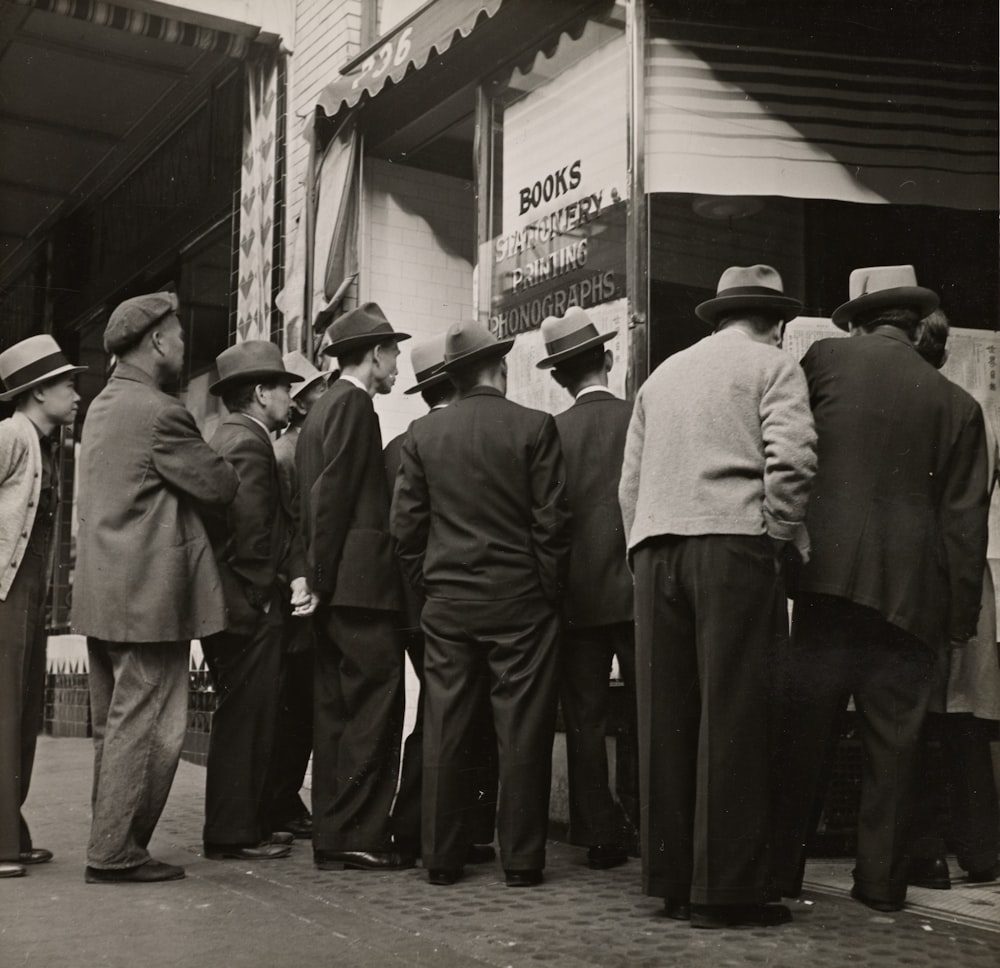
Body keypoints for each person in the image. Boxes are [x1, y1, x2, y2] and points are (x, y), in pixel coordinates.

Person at [773, 266, 990, 913]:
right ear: (915, 326)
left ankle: (778, 872)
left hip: (825, 585)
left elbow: (787, 450)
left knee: (801, 739)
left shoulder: (824, 362)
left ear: (861, 320)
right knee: (894, 748)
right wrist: (959, 619)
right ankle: (881, 887)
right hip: (910, 601)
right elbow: (964, 526)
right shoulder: (959, 406)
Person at [619, 265, 816, 929]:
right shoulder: (775, 367)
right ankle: (725, 892)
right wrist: (777, 537)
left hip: (655, 547)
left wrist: (643, 541)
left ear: (720, 315)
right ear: (778, 322)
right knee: (736, 715)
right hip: (732, 545)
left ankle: (672, 881)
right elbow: (792, 460)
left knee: (668, 716)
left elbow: (629, 483)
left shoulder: (663, 374)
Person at [391, 319, 571, 888]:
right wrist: (545, 590)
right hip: (521, 604)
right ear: (501, 367)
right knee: (521, 729)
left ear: (456, 377)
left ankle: (440, 859)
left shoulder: (422, 436)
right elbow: (552, 524)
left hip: (447, 605)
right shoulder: (534, 426)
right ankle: (521, 860)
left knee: (444, 726)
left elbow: (406, 529)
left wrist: (432, 585)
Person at [74, 291, 239, 884]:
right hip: (147, 596)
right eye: (175, 334)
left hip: (103, 593)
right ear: (155, 342)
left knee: (114, 727)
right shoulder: (160, 412)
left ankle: (110, 839)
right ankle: (115, 852)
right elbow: (219, 485)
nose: (182, 343)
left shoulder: (102, 405)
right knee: (151, 730)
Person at [296, 302, 412, 871]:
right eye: (392, 352)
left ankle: (335, 834)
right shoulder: (354, 405)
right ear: (372, 355)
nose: (397, 364)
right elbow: (331, 495)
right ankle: (361, 835)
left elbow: (314, 499)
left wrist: (313, 579)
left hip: (337, 589)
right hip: (359, 589)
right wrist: (320, 578)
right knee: (373, 709)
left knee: (337, 713)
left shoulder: (321, 409)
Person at [384, 335, 498, 863]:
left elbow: (400, 531)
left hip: (416, 607)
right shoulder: (469, 436)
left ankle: (426, 829)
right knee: (453, 718)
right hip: (448, 602)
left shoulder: (397, 446)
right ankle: (436, 829)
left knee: (440, 714)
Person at [201, 341, 315, 861]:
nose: (290, 397)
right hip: (248, 609)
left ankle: (241, 827)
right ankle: (233, 833)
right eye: (285, 387)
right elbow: (252, 533)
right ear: (262, 392)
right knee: (246, 721)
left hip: (233, 604)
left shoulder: (232, 435)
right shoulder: (248, 442)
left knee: (244, 718)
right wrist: (266, 593)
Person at [536, 307, 636, 869]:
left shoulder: (550, 431)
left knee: (585, 719)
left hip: (576, 600)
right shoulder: (637, 416)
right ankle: (647, 821)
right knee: (647, 713)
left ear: (557, 377)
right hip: (635, 592)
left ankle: (600, 833)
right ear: (609, 358)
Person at [906, 310, 1000, 888]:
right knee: (964, 723)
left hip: (930, 581)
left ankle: (927, 853)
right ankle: (982, 849)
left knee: (916, 724)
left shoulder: (914, 411)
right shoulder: (976, 412)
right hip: (970, 581)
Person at [0, 335, 85, 879]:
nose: (77, 394)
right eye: (67, 385)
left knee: (24, 713)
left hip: (28, 597)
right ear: (37, 392)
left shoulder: (44, 443)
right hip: (7, 595)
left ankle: (12, 830)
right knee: (6, 713)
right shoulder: (10, 434)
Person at [267, 350, 330, 839]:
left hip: (299, 598)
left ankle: (284, 799)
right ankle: (283, 800)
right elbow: (295, 532)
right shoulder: (292, 452)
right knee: (296, 706)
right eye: (319, 388)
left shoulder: (297, 446)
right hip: (299, 602)